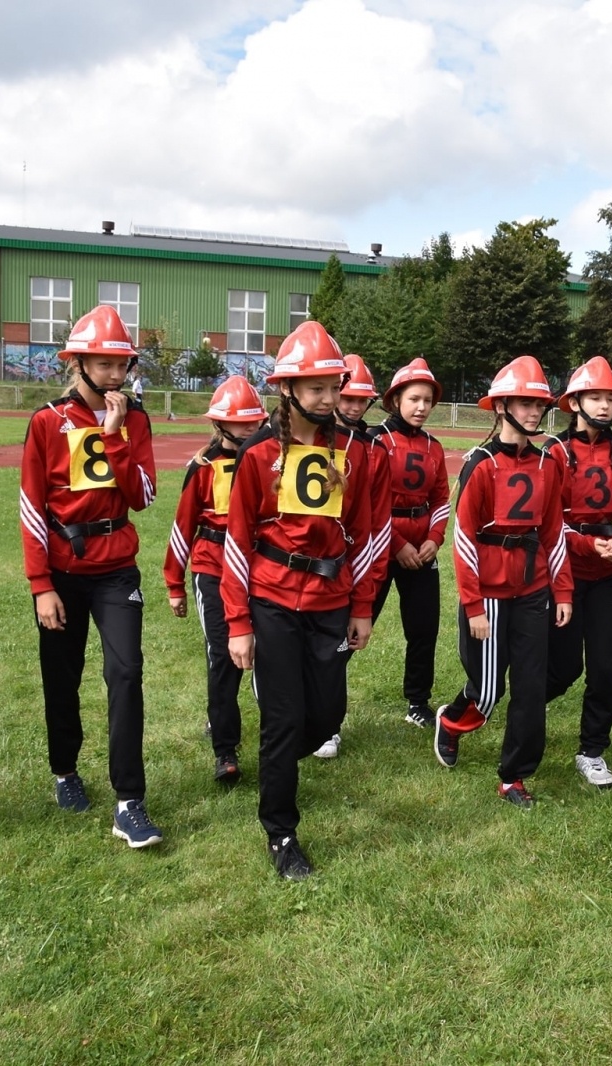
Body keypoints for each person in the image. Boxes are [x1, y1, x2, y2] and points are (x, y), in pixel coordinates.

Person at [221, 322, 379, 880]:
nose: (329, 398)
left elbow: (365, 532)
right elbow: (236, 542)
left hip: (331, 599)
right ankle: (281, 832)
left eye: (334, 387)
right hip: (272, 598)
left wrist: (362, 607)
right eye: (315, 388)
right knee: (283, 718)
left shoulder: (355, 453)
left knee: (328, 714)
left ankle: (276, 763)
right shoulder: (258, 452)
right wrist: (238, 622)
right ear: (287, 389)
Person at [20, 304, 161, 849]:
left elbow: (143, 497)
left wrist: (116, 435)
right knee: (63, 676)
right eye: (102, 364)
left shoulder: (136, 419)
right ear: (76, 363)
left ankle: (130, 801)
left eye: (120, 364)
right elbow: (32, 506)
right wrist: (40, 585)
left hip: (116, 570)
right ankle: (65, 770)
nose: (114, 375)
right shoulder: (47, 421)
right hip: (62, 571)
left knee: (126, 674)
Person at [432, 355, 573, 809]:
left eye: (539, 405)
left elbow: (553, 532)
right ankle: (452, 723)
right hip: (488, 596)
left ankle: (514, 776)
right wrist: (473, 605)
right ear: (501, 407)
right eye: (524, 403)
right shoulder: (481, 464)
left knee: (530, 690)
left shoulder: (549, 464)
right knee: (488, 692)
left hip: (532, 593)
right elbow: (464, 537)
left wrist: (563, 589)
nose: (535, 413)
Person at [542, 356, 612, 788]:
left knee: (608, 665)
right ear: (575, 401)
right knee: (564, 667)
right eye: (595, 397)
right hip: (565, 571)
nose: (604, 406)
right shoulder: (555, 451)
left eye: (610, 398)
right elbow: (548, 519)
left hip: (610, 573)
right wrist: (586, 543)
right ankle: (525, 704)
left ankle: (592, 750)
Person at [164, 375, 268, 786]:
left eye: (254, 423)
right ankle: (225, 749)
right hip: (212, 569)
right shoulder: (203, 468)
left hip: (258, 571)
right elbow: (182, 526)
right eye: (240, 424)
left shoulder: (266, 460)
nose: (248, 430)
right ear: (219, 424)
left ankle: (273, 733)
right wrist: (174, 584)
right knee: (224, 656)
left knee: (266, 654)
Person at [309, 353, 394, 759]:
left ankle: (327, 724)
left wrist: (370, 572)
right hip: (305, 562)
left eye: (363, 401)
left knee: (337, 645)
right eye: (348, 398)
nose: (354, 407)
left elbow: (374, 517)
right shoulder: (303, 439)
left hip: (349, 560)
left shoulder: (371, 449)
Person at [370, 358, 451, 728]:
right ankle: (325, 704)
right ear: (395, 399)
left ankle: (418, 702)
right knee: (355, 627)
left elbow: (440, 497)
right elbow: (369, 503)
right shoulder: (376, 441)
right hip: (381, 547)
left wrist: (434, 538)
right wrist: (397, 544)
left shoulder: (434, 446)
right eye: (414, 398)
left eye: (428, 400)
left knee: (423, 629)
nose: (421, 407)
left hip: (422, 551)